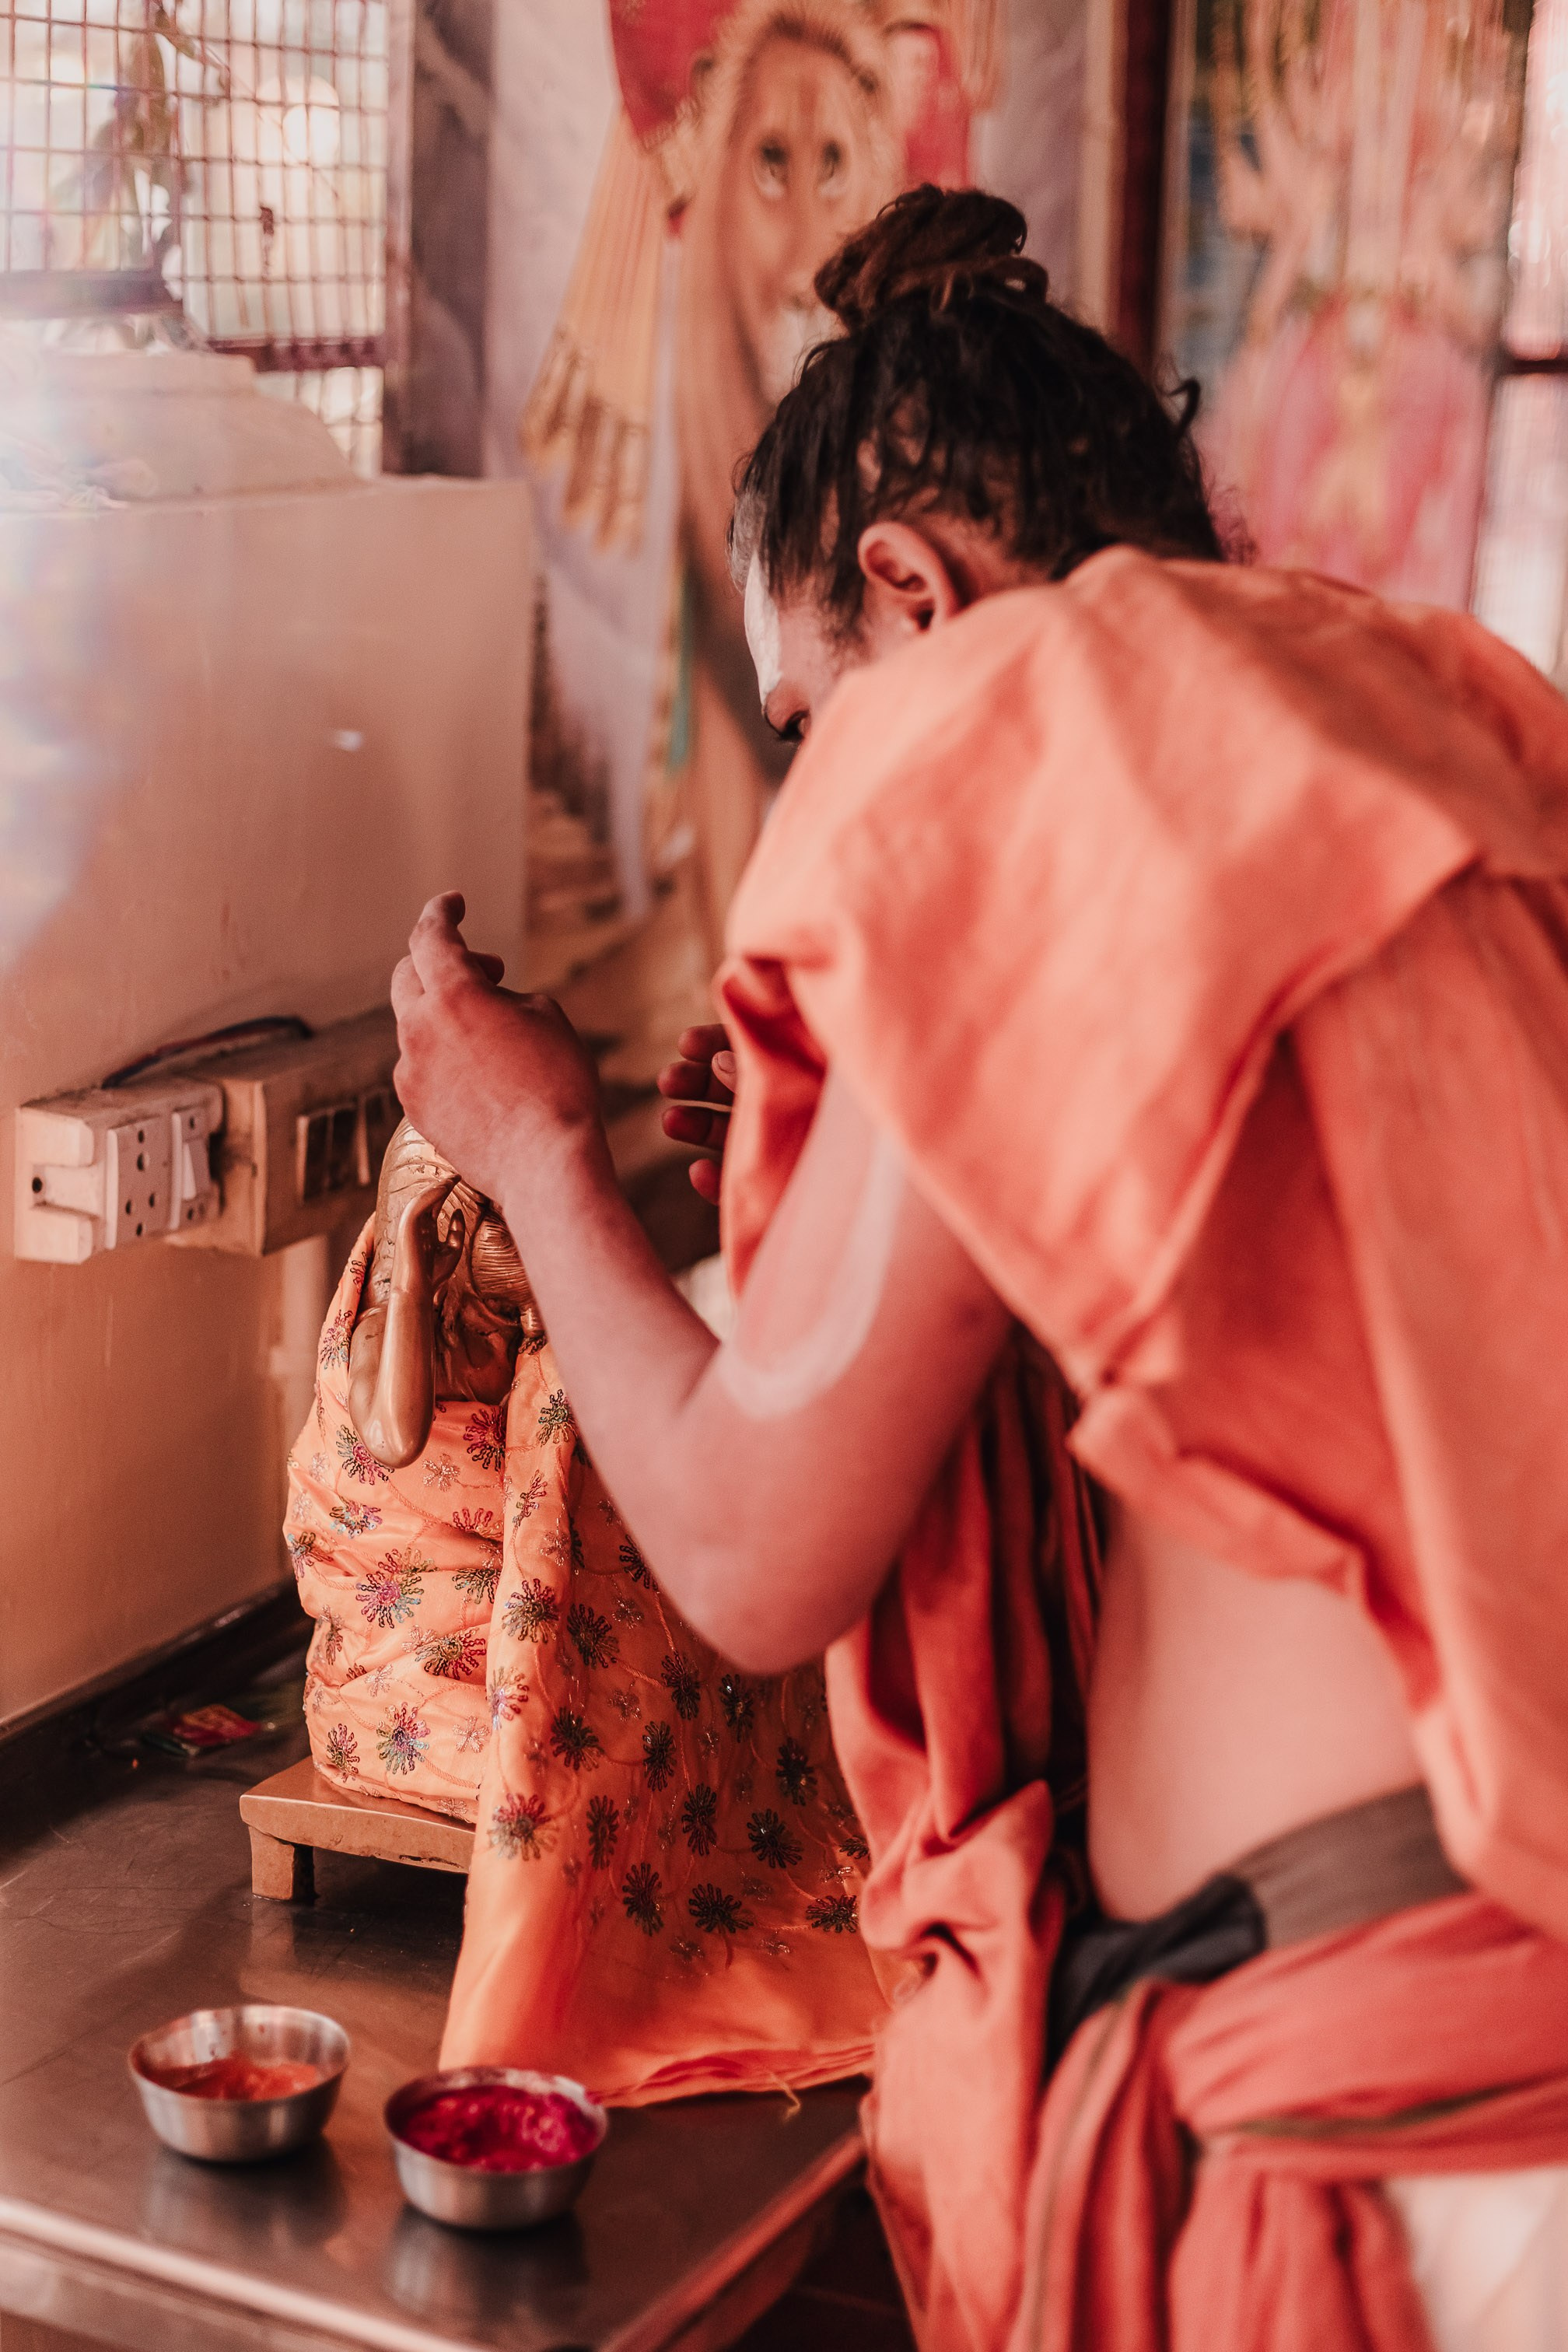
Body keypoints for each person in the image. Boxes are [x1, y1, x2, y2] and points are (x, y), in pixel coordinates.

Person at [390, 184, 1568, 2351]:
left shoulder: (1029, 738)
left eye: (810, 721)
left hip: (1385, 2116)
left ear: (913, 595)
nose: (828, 801)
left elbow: (753, 1549)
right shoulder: (1409, 716)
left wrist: (530, 1145)